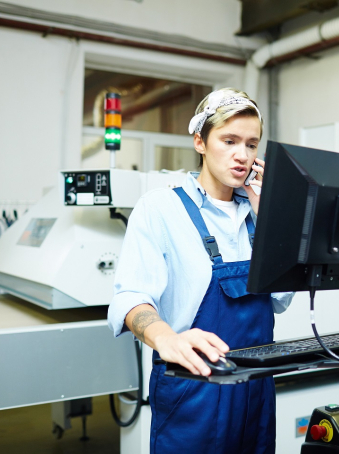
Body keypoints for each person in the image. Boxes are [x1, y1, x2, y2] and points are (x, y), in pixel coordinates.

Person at [107, 88, 293, 454]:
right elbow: (130, 298)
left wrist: (270, 219)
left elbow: (281, 298)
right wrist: (165, 338)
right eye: (229, 140)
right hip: (194, 388)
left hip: (255, 388)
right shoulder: (161, 208)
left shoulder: (257, 213)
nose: (243, 155)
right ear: (200, 142)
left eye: (252, 144)